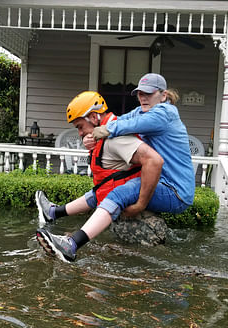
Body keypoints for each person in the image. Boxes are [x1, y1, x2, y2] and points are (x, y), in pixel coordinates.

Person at [36, 74, 195, 263]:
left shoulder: (164, 113)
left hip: (175, 190)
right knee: (110, 187)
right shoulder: (142, 111)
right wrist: (93, 135)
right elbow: (121, 120)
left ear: (163, 95)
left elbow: (132, 127)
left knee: (119, 193)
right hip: (163, 182)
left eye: (149, 93)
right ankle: (54, 212)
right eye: (140, 93)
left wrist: (141, 204)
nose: (143, 98)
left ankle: (72, 245)